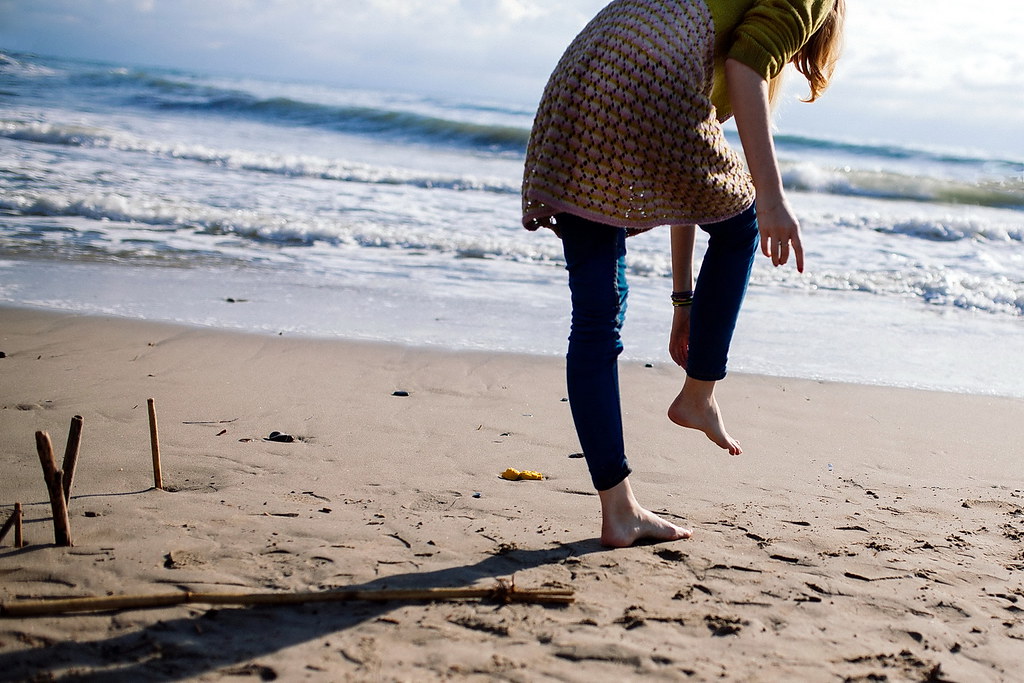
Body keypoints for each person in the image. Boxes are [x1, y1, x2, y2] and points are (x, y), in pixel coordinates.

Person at [522, 0, 845, 547]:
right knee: (744, 224)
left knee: (596, 317)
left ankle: (619, 511)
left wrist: (684, 302)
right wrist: (771, 197)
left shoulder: (699, 40)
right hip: (650, 79)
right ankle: (698, 397)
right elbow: (747, 69)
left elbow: (687, 195)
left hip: (580, 79)